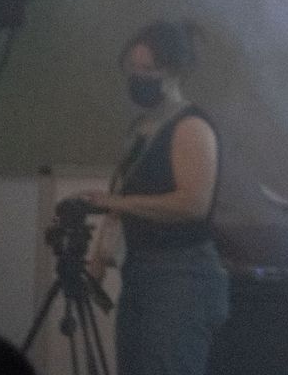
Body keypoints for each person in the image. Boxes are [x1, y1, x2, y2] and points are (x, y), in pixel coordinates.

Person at [80, 20, 229, 375]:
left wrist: (117, 204)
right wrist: (99, 260)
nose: (138, 77)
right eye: (133, 69)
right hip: (141, 270)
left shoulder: (191, 126)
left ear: (173, 71)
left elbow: (193, 204)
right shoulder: (142, 128)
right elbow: (121, 196)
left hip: (181, 274)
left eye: (148, 69)